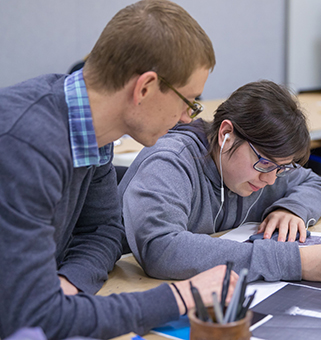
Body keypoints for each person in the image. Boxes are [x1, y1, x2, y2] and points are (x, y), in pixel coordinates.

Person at [0, 1, 238, 339]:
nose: (188, 118)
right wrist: (183, 296)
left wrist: (70, 283)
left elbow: (103, 230)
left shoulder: (93, 132)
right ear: (144, 87)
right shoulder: (25, 145)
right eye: (189, 101)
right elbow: (35, 319)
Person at [119, 80, 321, 283]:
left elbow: (315, 183)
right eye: (264, 163)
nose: (269, 179)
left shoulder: (268, 168)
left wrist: (291, 209)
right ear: (226, 134)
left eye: (282, 168)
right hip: (128, 287)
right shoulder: (170, 162)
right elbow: (162, 250)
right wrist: (296, 262)